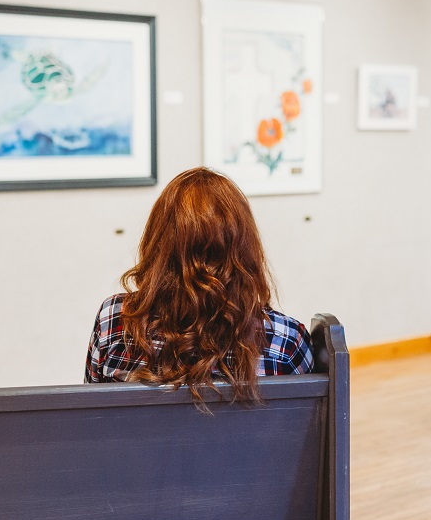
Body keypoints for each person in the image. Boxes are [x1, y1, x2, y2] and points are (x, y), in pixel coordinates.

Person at [86, 167, 314, 404]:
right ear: (245, 250)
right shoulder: (287, 341)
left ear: (158, 245)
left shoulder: (114, 320)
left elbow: (90, 417)